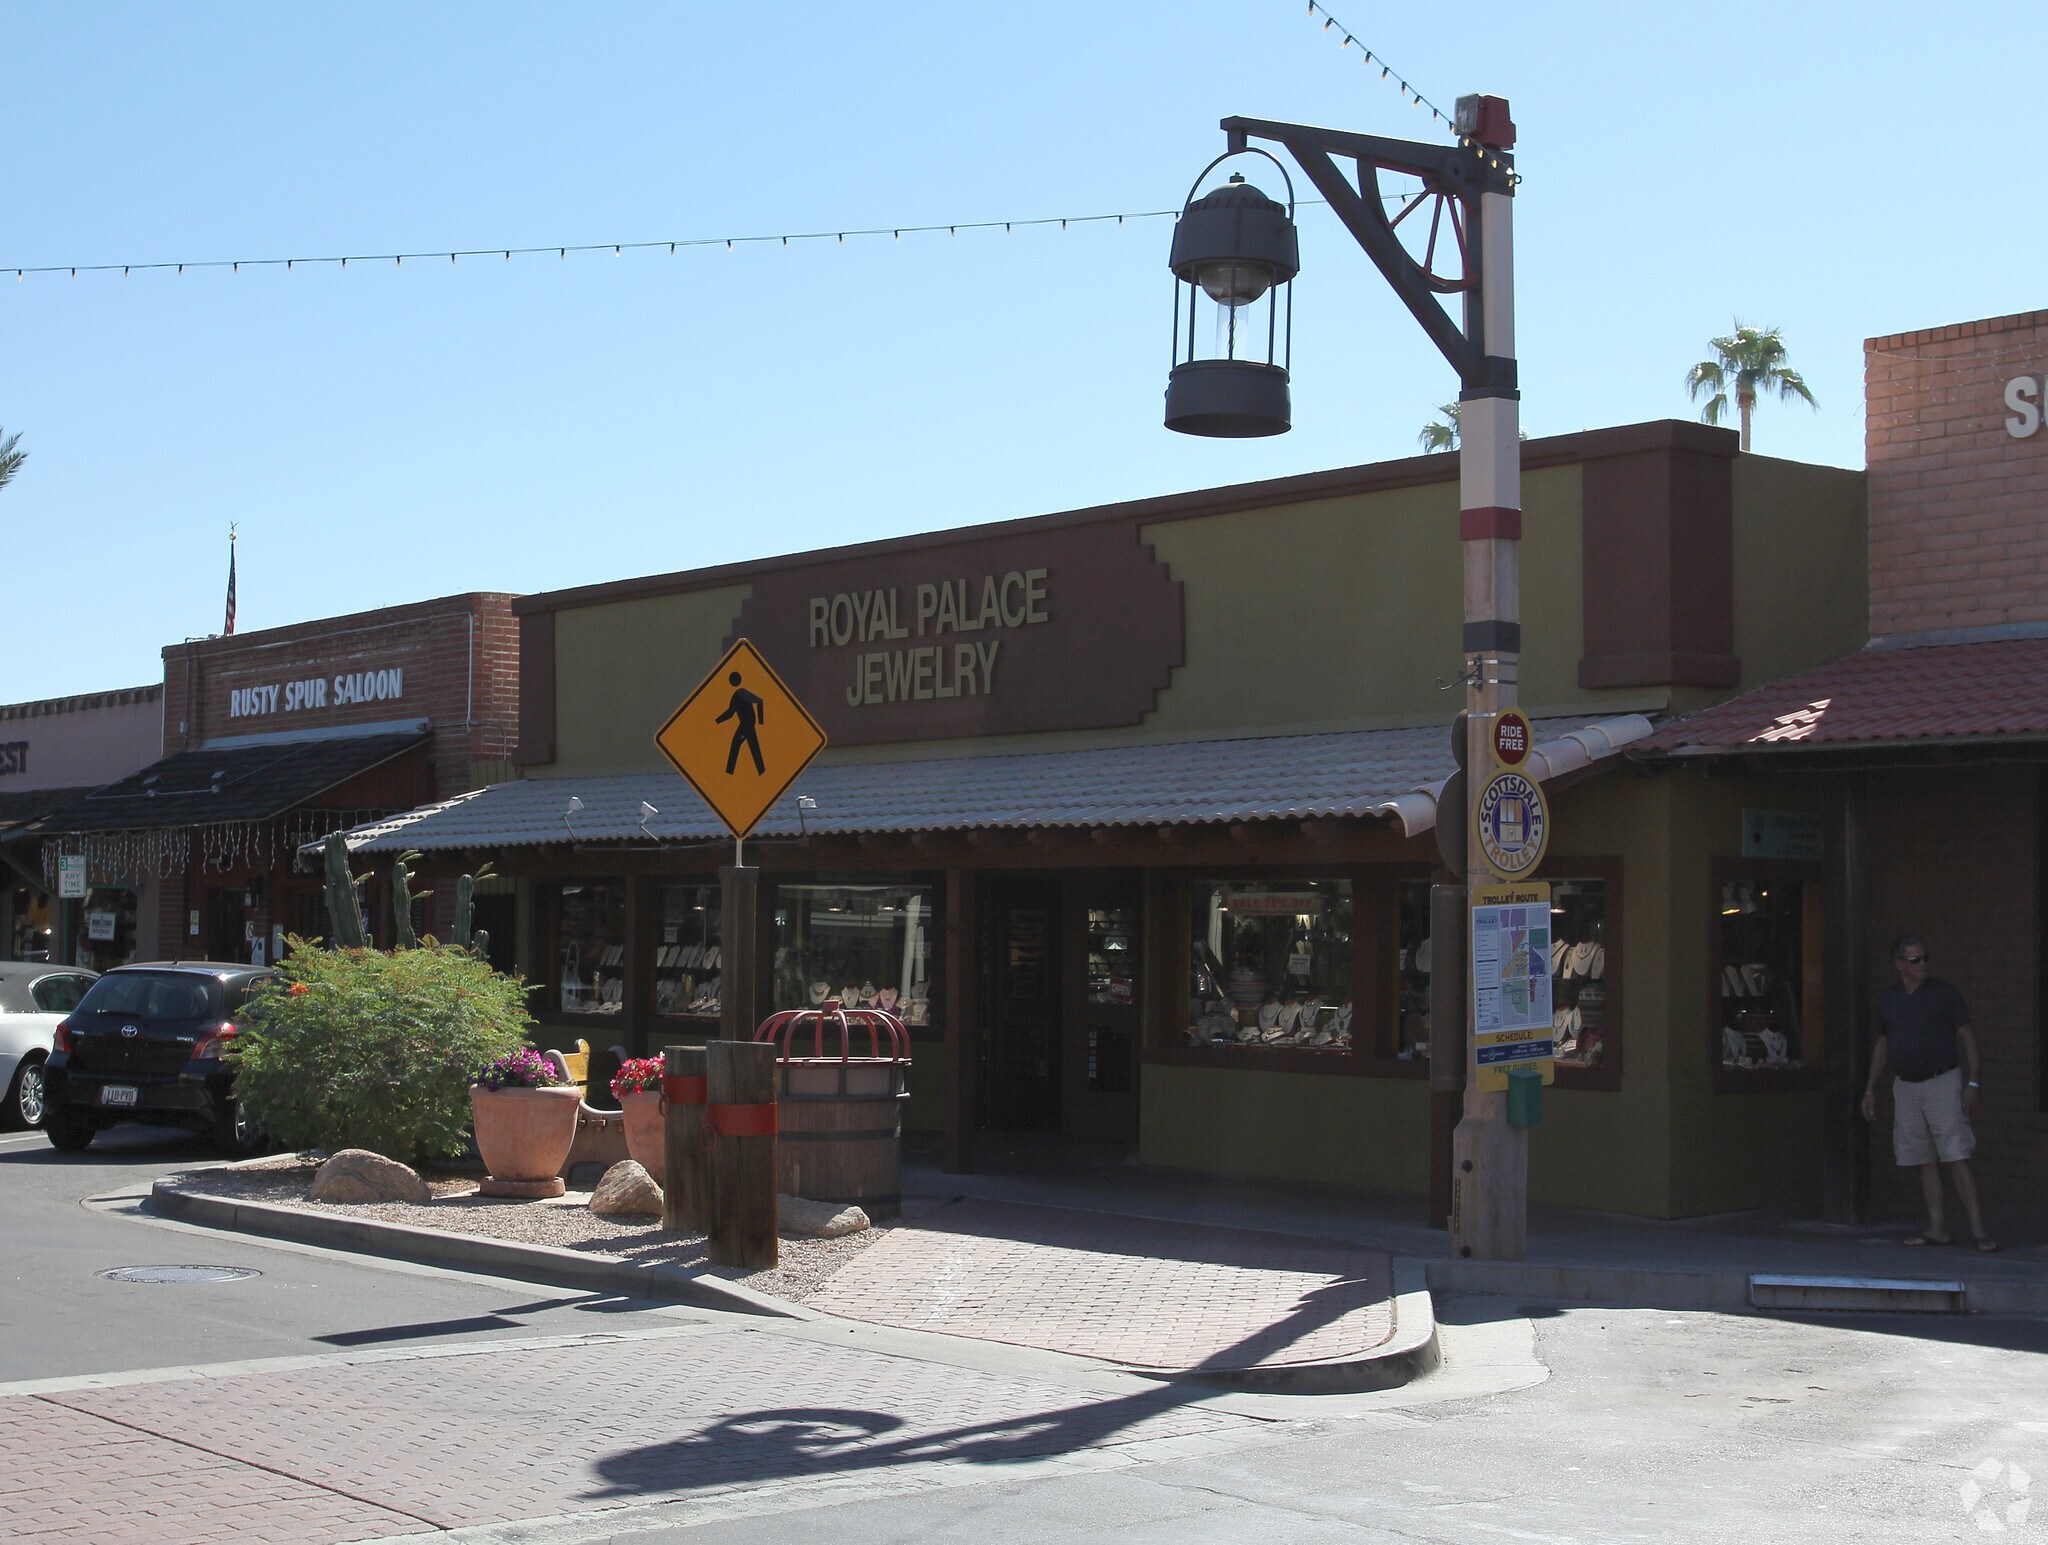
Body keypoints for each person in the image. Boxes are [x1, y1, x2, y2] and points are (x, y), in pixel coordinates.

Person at [1860, 934, 1996, 1252]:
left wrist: (1973, 1082)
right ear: (1899, 965)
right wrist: (1870, 1088)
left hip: (1942, 1081)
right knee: (1923, 1159)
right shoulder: (1889, 998)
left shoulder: (1944, 993)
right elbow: (1883, 1042)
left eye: (1925, 958)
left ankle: (1979, 1230)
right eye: (1915, 960)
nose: (1923, 964)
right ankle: (1937, 1228)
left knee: (1956, 1154)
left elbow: (1967, 1036)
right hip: (1906, 1084)